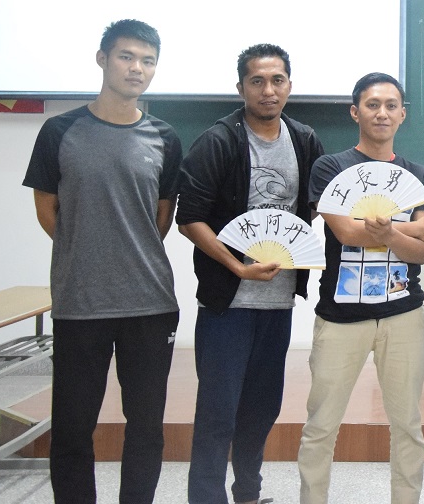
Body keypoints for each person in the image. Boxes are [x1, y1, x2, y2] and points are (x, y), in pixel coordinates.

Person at [23, 19, 182, 504]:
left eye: (148, 61)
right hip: (80, 302)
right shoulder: (59, 131)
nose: (137, 68)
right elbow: (48, 211)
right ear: (102, 59)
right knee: (73, 428)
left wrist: (126, 251)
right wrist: (88, 251)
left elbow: (161, 217)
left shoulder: (165, 137)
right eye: (126, 56)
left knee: (146, 427)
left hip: (150, 304)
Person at [176, 43, 325, 504]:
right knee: (217, 413)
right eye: (257, 81)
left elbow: (313, 208)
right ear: (240, 87)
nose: (268, 90)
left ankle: (248, 494)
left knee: (261, 410)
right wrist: (237, 266)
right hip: (227, 304)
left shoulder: (304, 139)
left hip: (278, 303)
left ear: (290, 86)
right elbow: (189, 218)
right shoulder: (218, 141)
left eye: (277, 80)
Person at [298, 72, 424, 504]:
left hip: (403, 316)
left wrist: (390, 233)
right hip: (340, 317)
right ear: (355, 112)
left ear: (402, 115)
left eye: (391, 105)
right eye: (373, 104)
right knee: (321, 425)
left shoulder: (418, 175)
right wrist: (404, 230)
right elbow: (345, 232)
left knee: (408, 426)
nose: (382, 113)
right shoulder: (331, 167)